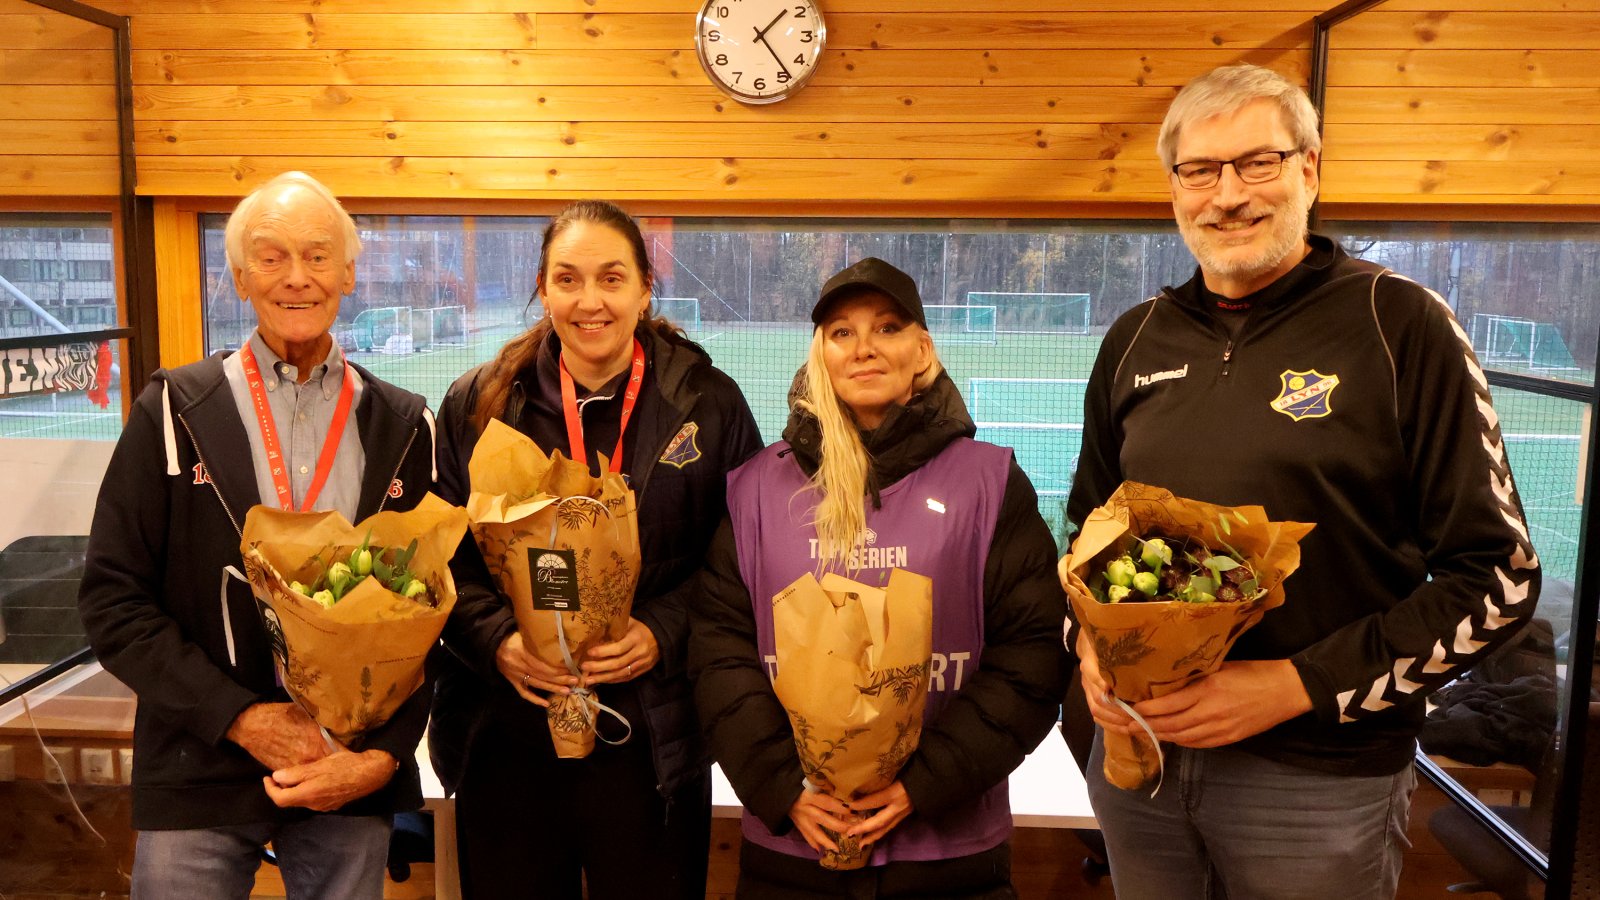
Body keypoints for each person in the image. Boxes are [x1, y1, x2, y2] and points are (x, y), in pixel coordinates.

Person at [1065, 63, 1542, 900]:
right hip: (1140, 760)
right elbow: (1086, 536)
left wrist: (1294, 685)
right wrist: (1090, 648)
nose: (1227, 195)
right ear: (1174, 188)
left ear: (1309, 169)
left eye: (1258, 163)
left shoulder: (1401, 324)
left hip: (1318, 782)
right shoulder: (1135, 338)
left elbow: (1498, 580)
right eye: (1199, 170)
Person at [77, 171, 439, 898]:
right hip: (199, 760)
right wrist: (239, 718)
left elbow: (432, 614)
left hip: (347, 767)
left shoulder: (405, 426)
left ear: (348, 273)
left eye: (317, 255)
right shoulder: (171, 412)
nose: (296, 277)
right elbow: (113, 603)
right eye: (271, 257)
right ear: (240, 278)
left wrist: (385, 757)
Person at [690, 257, 1070, 898]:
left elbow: (1031, 654)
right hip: (792, 853)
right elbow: (718, 651)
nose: (863, 347)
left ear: (921, 349)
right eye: (842, 332)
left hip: (948, 856)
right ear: (821, 354)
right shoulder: (756, 488)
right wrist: (783, 786)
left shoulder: (989, 482)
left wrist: (924, 784)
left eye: (887, 327)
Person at [430, 199, 763, 900]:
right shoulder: (478, 403)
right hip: (508, 734)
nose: (590, 301)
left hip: (653, 738)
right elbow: (440, 559)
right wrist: (497, 642)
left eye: (611, 278)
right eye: (567, 279)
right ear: (543, 289)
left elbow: (744, 560)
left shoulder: (709, 404)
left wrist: (662, 631)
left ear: (644, 289)